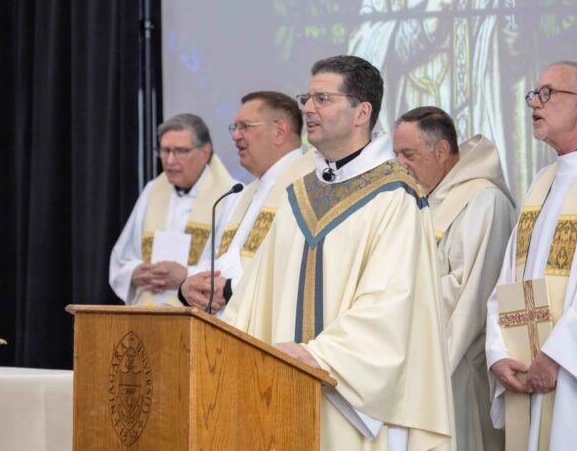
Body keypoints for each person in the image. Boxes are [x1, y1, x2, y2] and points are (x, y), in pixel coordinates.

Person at [224, 55, 453, 450]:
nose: (308, 109)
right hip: (283, 392)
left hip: (353, 399)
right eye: (307, 98)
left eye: (323, 99)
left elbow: (392, 306)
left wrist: (320, 356)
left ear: (361, 111)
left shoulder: (396, 197)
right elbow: (254, 296)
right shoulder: (298, 194)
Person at [348, 0, 533, 184]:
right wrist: (421, 28)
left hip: (462, 131)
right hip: (398, 137)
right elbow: (363, 58)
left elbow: (513, 56)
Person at [486, 61, 577, 449]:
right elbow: (509, 277)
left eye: (547, 93)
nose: (534, 104)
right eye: (533, 94)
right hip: (528, 369)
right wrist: (498, 352)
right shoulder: (542, 182)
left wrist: (558, 356)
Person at [394, 106, 514, 451]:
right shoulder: (421, 201)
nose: (399, 164)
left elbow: (470, 296)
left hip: (456, 365)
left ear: (442, 151)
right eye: (396, 154)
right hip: (417, 354)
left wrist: (429, 369)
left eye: (409, 154)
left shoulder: (483, 200)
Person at [178, 91, 313, 312]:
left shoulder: (308, 186)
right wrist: (187, 287)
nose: (236, 136)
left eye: (245, 127)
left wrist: (232, 289)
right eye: (235, 128)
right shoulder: (241, 194)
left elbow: (296, 271)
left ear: (280, 132)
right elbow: (218, 262)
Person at [109, 113, 237, 306]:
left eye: (180, 151)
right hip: (147, 312)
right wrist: (135, 273)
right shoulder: (153, 190)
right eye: (164, 150)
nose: (169, 161)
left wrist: (186, 275)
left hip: (196, 315)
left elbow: (233, 265)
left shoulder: (229, 195)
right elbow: (121, 259)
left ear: (205, 152)